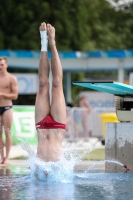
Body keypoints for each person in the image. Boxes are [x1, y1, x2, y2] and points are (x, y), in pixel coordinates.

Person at [35, 22, 66, 162]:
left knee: (45, 84)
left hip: (46, 127)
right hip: (56, 124)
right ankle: (48, 43)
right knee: (55, 84)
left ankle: (47, 41)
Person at [0, 57, 18, 164]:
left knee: (7, 132)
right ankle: (1, 156)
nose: (0, 67)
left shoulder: (12, 78)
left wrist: (2, 94)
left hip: (7, 107)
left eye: (2, 64)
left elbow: (15, 95)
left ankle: (7, 157)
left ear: (6, 65)